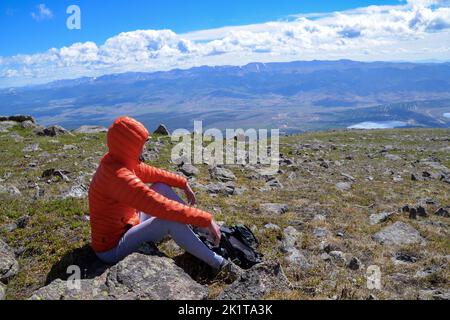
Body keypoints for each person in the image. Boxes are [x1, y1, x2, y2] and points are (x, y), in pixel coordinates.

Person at [88, 116, 241, 279]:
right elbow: (160, 206)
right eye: (141, 145)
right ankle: (220, 265)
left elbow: (149, 172)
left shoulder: (117, 160)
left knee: (161, 187)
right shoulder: (118, 176)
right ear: (129, 147)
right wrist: (205, 218)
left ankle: (196, 232)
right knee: (168, 219)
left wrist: (182, 182)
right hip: (112, 248)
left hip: (129, 223)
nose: (144, 149)